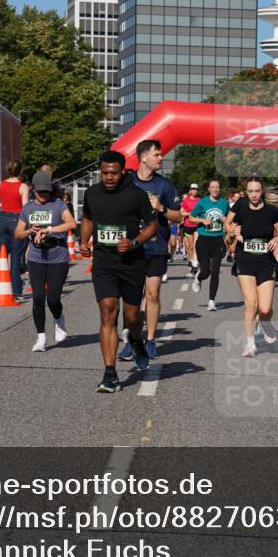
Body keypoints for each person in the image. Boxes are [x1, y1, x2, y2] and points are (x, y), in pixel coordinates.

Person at [79, 151, 159, 393]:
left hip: (131, 263)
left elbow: (153, 226)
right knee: (108, 312)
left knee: (132, 316)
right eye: (104, 173)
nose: (108, 177)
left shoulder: (136, 194)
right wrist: (84, 241)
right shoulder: (92, 193)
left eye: (113, 173)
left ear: (123, 171)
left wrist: (134, 242)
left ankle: (136, 340)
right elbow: (88, 219)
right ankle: (110, 374)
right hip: (104, 263)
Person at [118, 139, 181, 361]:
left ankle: (151, 340)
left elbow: (178, 216)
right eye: (157, 154)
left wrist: (161, 208)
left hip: (156, 247)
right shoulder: (127, 182)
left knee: (152, 294)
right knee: (132, 297)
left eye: (161, 154)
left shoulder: (165, 185)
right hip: (132, 248)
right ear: (143, 157)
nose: (161, 158)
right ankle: (132, 340)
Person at [222, 175, 278, 357]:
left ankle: (266, 321)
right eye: (250, 191)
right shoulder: (240, 208)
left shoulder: (271, 211)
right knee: (251, 304)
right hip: (245, 261)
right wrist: (232, 233)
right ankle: (250, 344)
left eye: (257, 191)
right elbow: (227, 231)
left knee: (264, 309)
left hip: (266, 262)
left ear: (262, 191)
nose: (254, 195)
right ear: (246, 192)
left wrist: (276, 239)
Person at [15, 172, 77, 351]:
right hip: (36, 257)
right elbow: (18, 233)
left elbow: (72, 224)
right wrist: (30, 231)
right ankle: (41, 338)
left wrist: (49, 230)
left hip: (58, 257)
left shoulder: (58, 205)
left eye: (46, 191)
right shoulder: (28, 208)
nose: (43, 195)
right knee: (38, 298)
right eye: (40, 191)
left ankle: (59, 319)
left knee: (53, 299)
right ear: (33, 189)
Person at [188, 178, 230, 310]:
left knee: (215, 272)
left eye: (217, 187)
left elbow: (229, 220)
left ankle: (211, 301)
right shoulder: (203, 202)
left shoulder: (224, 203)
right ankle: (199, 278)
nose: (215, 189)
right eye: (212, 187)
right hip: (204, 240)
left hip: (218, 240)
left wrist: (226, 221)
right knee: (206, 272)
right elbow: (191, 217)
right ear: (208, 189)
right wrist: (202, 220)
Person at [0, 161, 29, 300]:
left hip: (2, 219)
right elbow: (25, 207)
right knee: (16, 256)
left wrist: (3, 204)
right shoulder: (23, 186)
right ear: (20, 171)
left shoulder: (0, 185)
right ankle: (16, 291)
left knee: (1, 256)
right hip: (16, 220)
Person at [180, 183, 201, 273]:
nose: (194, 191)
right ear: (190, 190)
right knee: (190, 246)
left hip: (197, 225)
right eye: (192, 189)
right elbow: (181, 213)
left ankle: (195, 264)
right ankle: (192, 261)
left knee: (196, 245)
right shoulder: (186, 201)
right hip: (188, 225)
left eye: (196, 189)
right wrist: (190, 214)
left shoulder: (199, 200)